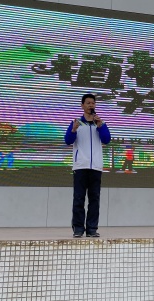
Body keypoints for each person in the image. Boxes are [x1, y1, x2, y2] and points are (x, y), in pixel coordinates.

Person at [64, 93, 111, 238]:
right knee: (79, 198)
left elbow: (106, 139)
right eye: (88, 103)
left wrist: (100, 126)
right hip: (80, 166)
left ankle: (92, 229)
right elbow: (68, 141)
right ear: (82, 105)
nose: (91, 105)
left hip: (96, 167)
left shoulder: (100, 123)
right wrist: (73, 130)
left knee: (94, 199)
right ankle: (78, 228)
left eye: (93, 103)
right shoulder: (76, 123)